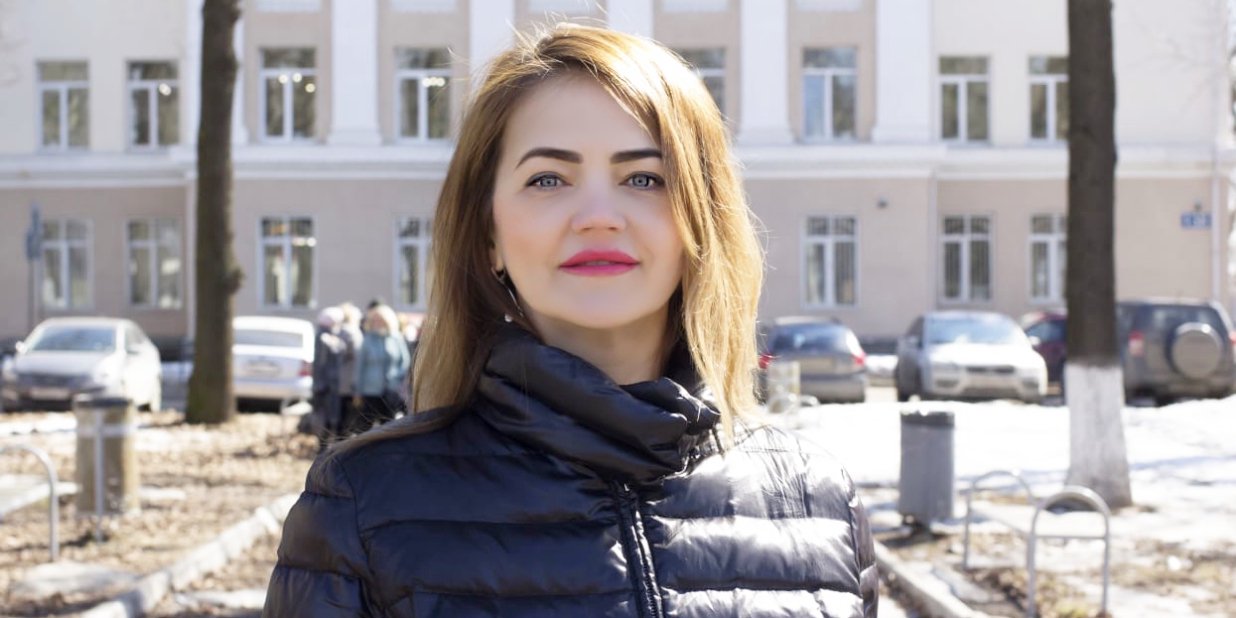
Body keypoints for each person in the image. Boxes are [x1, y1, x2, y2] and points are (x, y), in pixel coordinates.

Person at [265, 24, 876, 618]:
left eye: (644, 178)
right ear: (488, 235)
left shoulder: (818, 501)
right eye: (548, 179)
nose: (598, 215)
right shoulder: (364, 504)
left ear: (702, 217)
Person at [350, 303, 410, 431]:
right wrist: (357, 391)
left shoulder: (396, 339)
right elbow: (359, 368)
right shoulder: (367, 340)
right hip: (370, 390)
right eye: (374, 320)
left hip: (391, 389)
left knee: (389, 425)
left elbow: (404, 362)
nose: (377, 323)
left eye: (380, 319)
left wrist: (397, 380)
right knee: (365, 425)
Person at [309, 307, 346, 451]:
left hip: (330, 385)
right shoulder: (323, 337)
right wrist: (320, 383)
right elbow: (321, 362)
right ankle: (323, 448)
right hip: (326, 386)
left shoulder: (329, 336)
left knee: (331, 418)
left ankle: (326, 446)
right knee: (325, 418)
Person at [335, 302, 363, 436]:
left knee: (341, 415)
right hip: (350, 381)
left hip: (340, 380)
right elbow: (358, 358)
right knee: (348, 416)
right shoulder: (352, 332)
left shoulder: (339, 331)